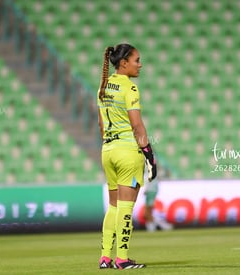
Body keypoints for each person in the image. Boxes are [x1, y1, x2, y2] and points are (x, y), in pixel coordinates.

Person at [97, 43, 157, 270]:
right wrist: (149, 156)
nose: (140, 65)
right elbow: (137, 126)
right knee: (125, 207)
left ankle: (105, 257)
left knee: (113, 207)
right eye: (136, 60)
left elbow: (101, 126)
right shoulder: (129, 88)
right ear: (124, 63)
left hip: (108, 151)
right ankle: (122, 258)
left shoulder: (103, 86)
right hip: (127, 152)